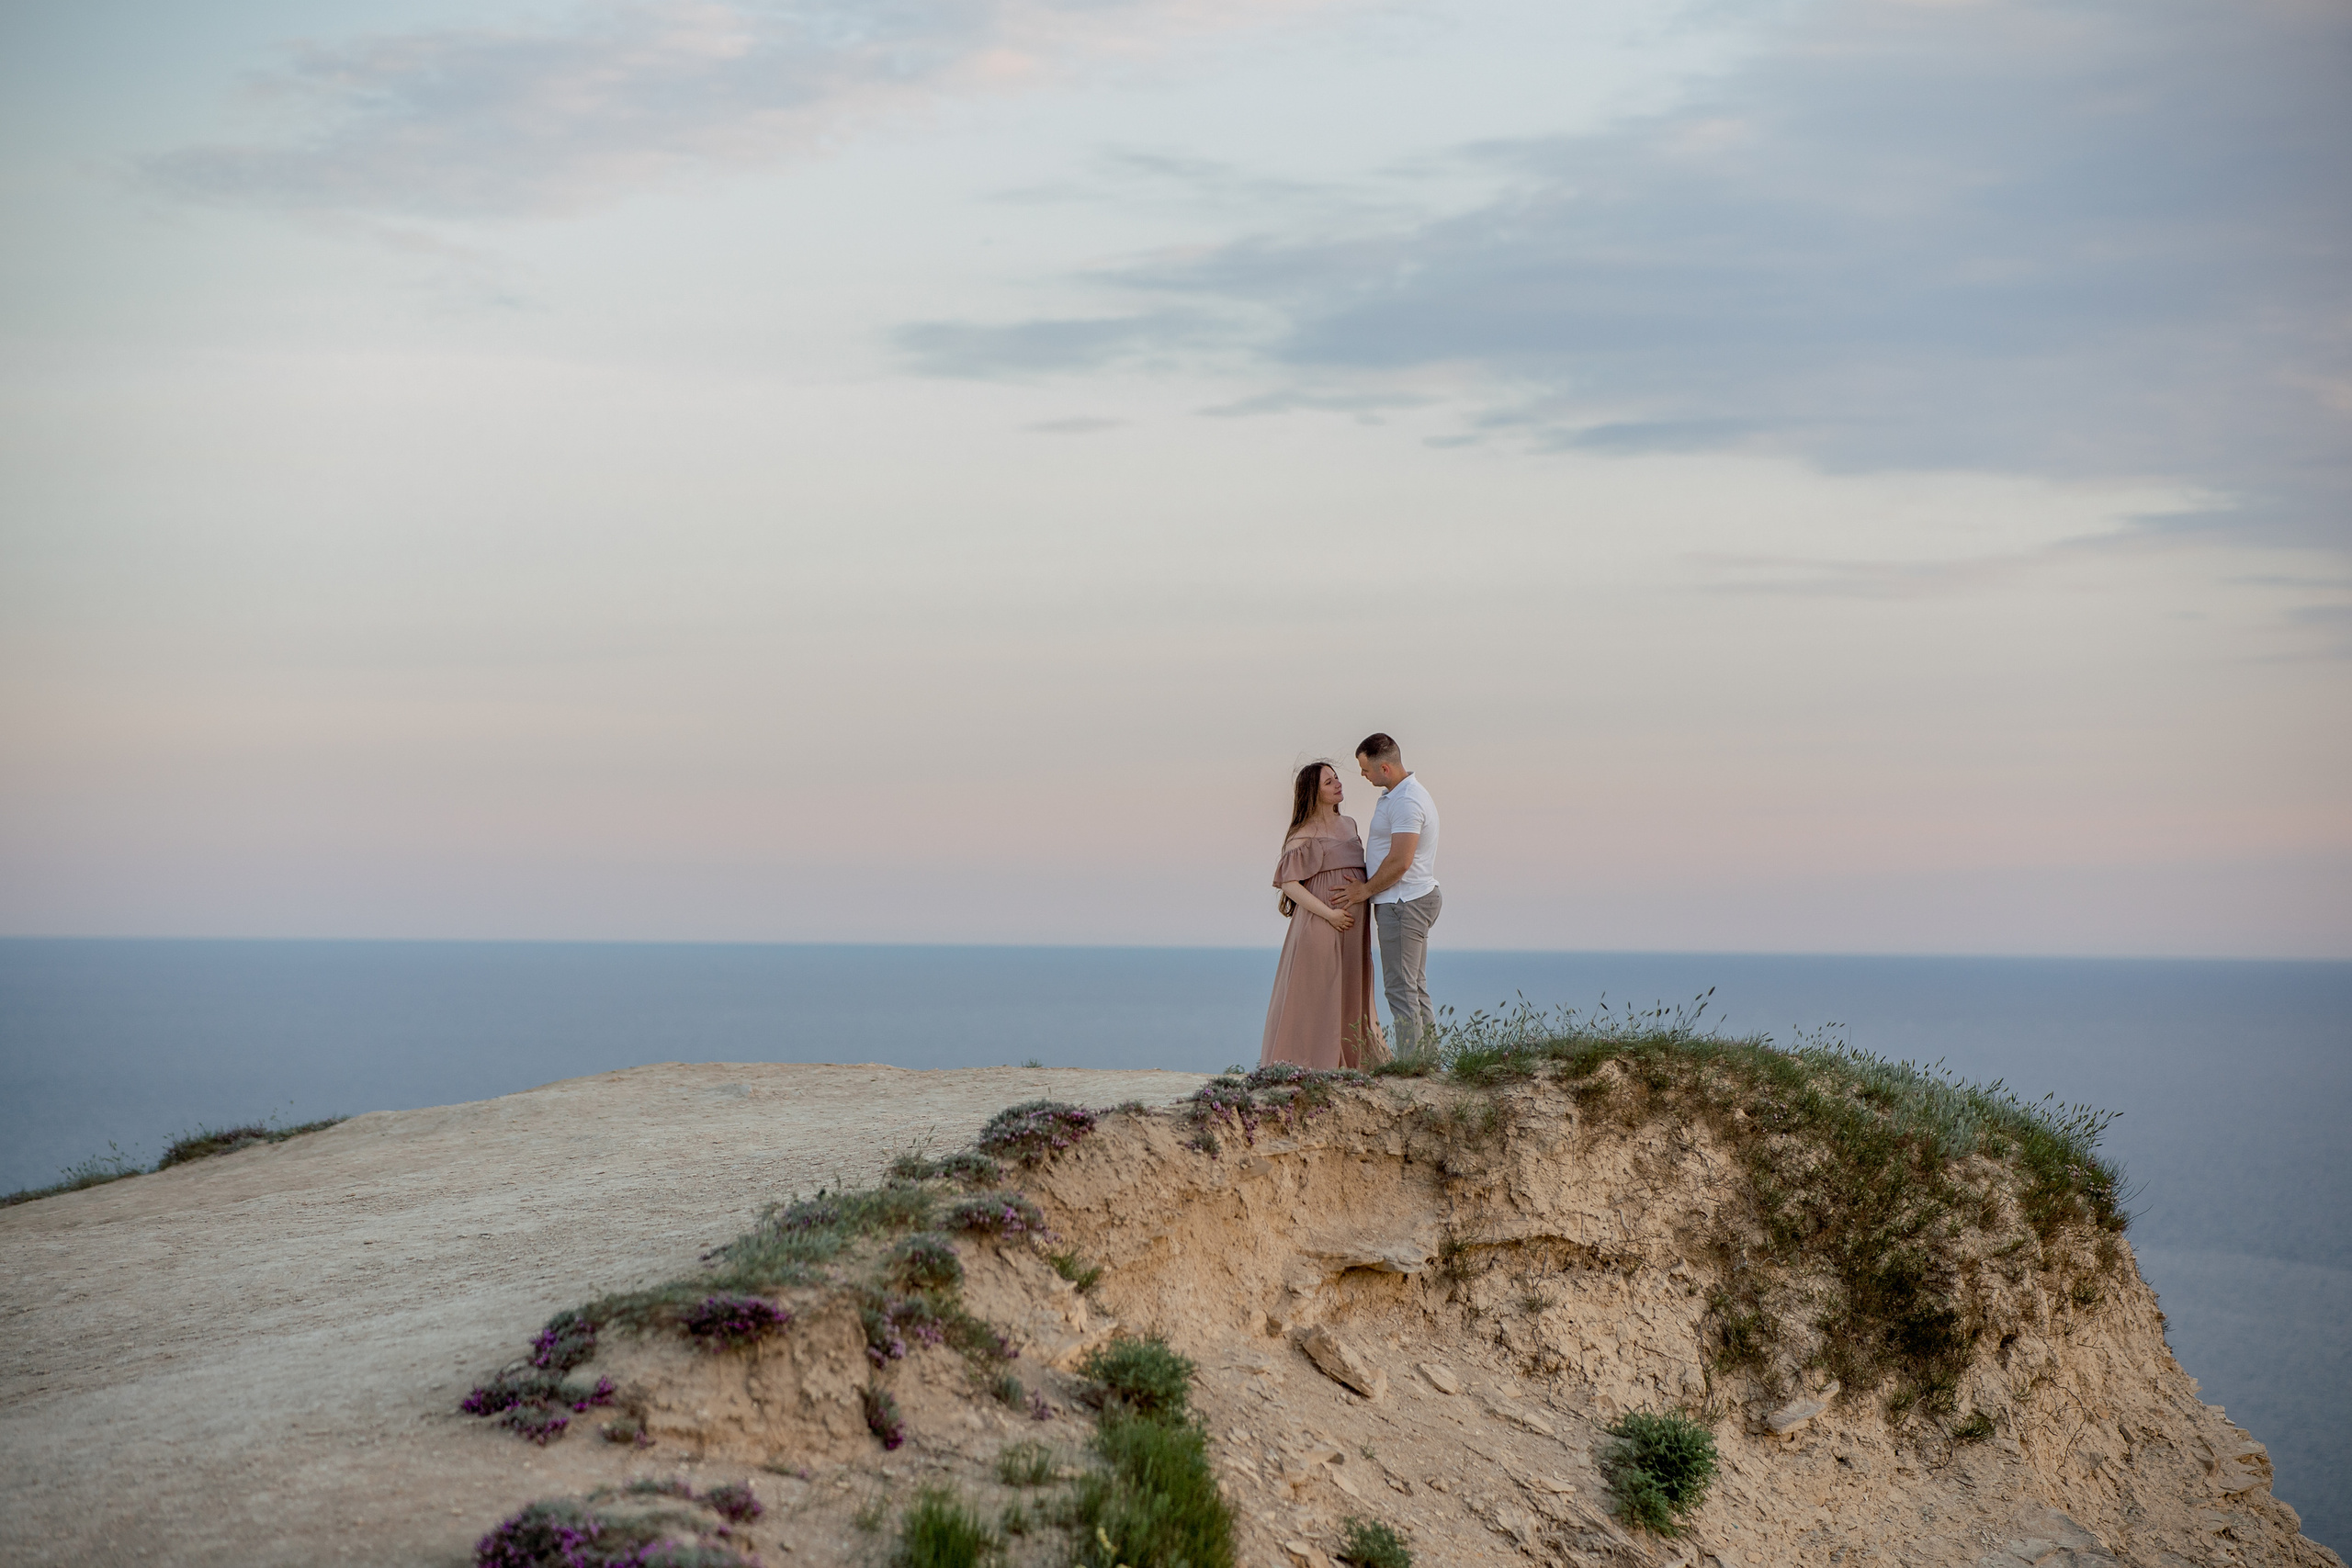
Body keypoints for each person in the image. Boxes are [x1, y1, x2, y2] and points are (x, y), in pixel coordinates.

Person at [1260, 761, 1384, 1069]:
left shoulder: (1350, 824)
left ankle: (1353, 1061)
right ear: (1312, 793)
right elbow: (1289, 884)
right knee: (1318, 993)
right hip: (1322, 924)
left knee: (1351, 988)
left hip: (1354, 928)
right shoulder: (1305, 833)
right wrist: (1329, 915)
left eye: (1337, 778)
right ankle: (1308, 1064)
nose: (1338, 784)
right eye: (1329, 782)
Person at [1334, 732, 1442, 1057]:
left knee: (1400, 988)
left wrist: (1363, 891)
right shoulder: (1397, 794)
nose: (1363, 777)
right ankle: (1428, 1064)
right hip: (1406, 901)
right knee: (1414, 986)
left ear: (1385, 768)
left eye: (1366, 770)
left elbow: (1400, 861)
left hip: (1403, 903)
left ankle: (1413, 1069)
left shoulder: (1408, 801)